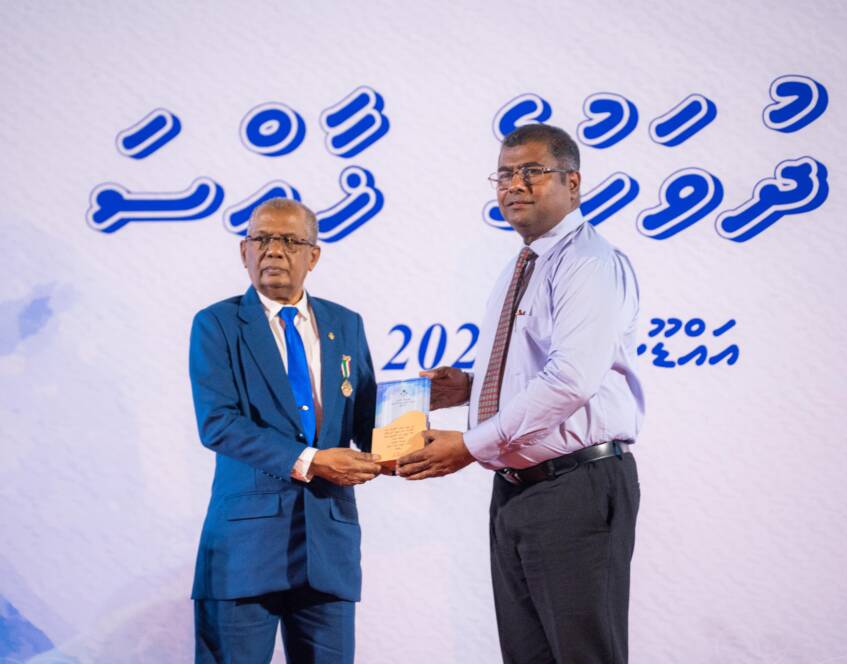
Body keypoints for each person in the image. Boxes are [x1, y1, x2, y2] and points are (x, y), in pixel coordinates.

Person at [398, 124, 644, 664]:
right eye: (505, 174)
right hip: (519, 490)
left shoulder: (587, 262)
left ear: (573, 183)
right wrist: (470, 388)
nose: (515, 185)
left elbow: (570, 380)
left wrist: (469, 445)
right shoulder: (524, 264)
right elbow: (538, 369)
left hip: (575, 488)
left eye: (532, 172)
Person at [188, 198, 382, 663]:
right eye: (263, 239)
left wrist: (414, 424)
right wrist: (312, 461)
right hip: (244, 549)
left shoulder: (345, 324)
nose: (274, 250)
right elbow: (218, 424)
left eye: (290, 241)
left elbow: (366, 422)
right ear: (245, 251)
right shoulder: (217, 324)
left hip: (328, 546)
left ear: (313, 256)